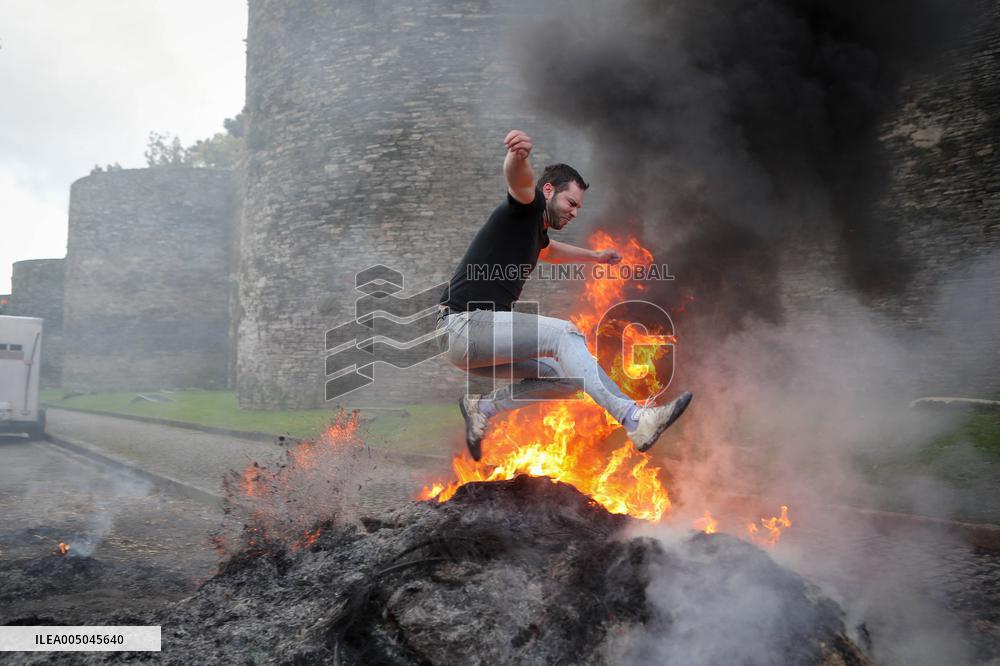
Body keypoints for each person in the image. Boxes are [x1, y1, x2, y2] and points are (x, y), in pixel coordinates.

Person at [437, 129, 692, 461]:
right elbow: (518, 182)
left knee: (567, 378)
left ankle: (482, 407)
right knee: (564, 333)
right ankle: (635, 419)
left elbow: (550, 251)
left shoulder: (534, 233)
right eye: (571, 202)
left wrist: (595, 257)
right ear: (548, 191)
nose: (574, 212)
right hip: (464, 326)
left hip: (473, 339)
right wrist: (519, 156)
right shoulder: (525, 211)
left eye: (579, 207)